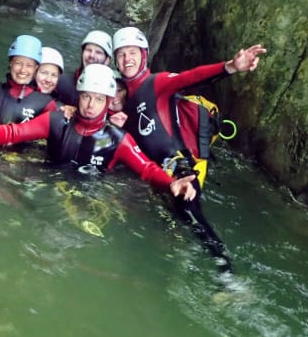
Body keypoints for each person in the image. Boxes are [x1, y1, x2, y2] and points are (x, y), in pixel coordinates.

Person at [112, 26, 267, 271]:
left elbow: (191, 77)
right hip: (156, 174)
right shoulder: (121, 99)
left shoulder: (156, 83)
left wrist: (230, 67)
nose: (127, 59)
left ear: (143, 55)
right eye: (121, 54)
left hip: (181, 169)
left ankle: (227, 274)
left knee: (190, 215)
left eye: (132, 52)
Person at [0, 64, 198, 204]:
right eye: (86, 96)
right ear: (78, 97)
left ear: (108, 102)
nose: (91, 104)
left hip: (91, 194)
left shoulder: (118, 139)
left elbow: (146, 169)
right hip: (46, 181)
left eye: (99, 99)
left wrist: (171, 183)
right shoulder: (56, 121)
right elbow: (15, 132)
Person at [53, 30, 114, 105]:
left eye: (98, 52)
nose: (92, 55)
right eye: (88, 50)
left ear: (107, 60)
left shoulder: (113, 92)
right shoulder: (62, 82)